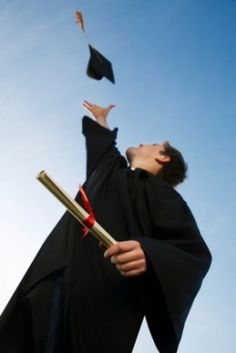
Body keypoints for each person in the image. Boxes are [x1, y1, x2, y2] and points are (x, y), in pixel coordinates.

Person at [0, 101, 212, 353]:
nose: (144, 142)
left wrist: (149, 254)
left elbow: (192, 253)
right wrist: (101, 120)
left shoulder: (165, 197)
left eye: (154, 144)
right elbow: (104, 148)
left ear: (162, 156)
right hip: (49, 274)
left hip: (102, 297)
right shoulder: (110, 170)